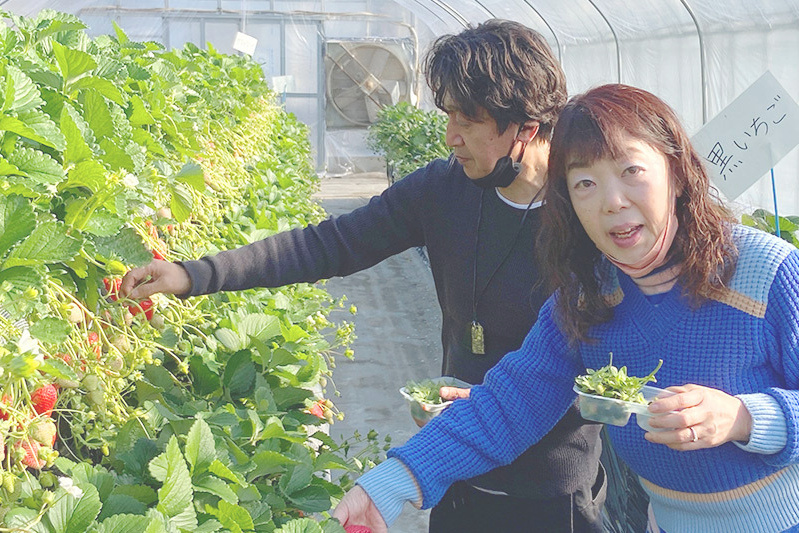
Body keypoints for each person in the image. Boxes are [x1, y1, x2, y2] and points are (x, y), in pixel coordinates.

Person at [120, 20, 606, 533]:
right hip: (453, 477)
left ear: (525, 127)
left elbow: (616, 357)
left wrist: (503, 403)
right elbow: (329, 244)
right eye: (448, 115)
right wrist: (193, 275)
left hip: (553, 495)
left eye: (469, 120)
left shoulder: (585, 215)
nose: (450, 136)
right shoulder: (443, 192)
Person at [332, 83, 799, 533]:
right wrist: (383, 489)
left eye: (631, 171)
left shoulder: (767, 272)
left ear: (676, 172)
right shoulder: (589, 295)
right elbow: (507, 404)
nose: (612, 202)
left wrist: (744, 418)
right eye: (585, 183)